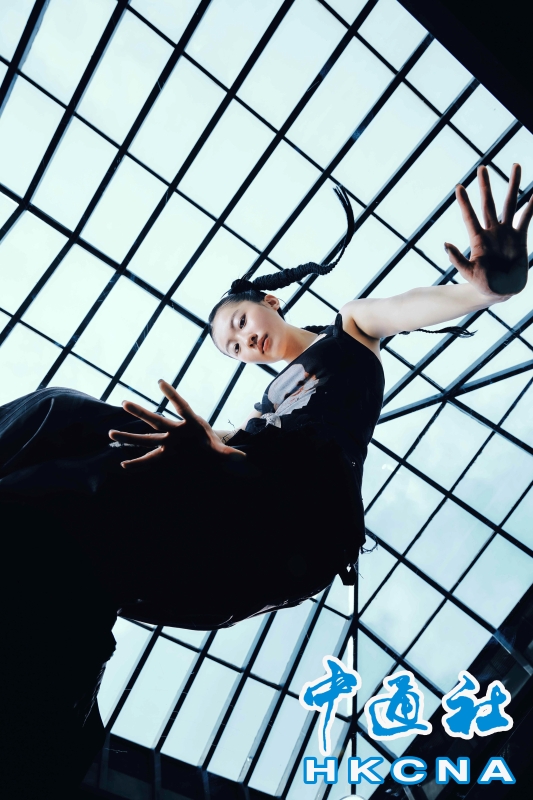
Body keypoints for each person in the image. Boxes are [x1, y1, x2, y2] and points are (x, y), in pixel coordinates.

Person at [0, 165, 530, 798]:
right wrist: (207, 450)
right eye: (231, 347)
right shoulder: (260, 415)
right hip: (238, 523)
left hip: (297, 513)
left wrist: (484, 290)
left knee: (62, 410)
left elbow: (409, 308)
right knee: (65, 492)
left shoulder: (350, 330)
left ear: (269, 302)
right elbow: (223, 452)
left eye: (239, 323)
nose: (242, 340)